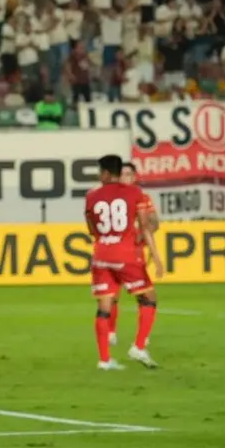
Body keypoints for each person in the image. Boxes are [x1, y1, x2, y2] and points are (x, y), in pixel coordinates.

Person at [84, 155, 163, 371]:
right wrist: (155, 257)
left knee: (104, 306)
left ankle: (104, 359)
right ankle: (138, 346)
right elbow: (146, 225)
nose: (99, 175)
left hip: (101, 255)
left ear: (107, 174)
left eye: (100, 172)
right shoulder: (135, 193)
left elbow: (91, 229)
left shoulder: (91, 196)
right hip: (126, 254)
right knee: (149, 297)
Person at [108, 162, 160, 347]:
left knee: (136, 295)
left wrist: (146, 229)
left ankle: (136, 337)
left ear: (134, 176)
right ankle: (120, 335)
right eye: (122, 174)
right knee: (140, 295)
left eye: (129, 174)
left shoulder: (143, 198)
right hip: (119, 252)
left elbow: (154, 222)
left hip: (133, 252)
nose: (125, 178)